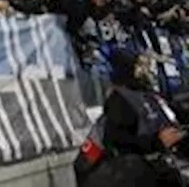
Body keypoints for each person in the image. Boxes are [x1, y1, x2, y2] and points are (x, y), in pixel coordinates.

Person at [75, 51, 186, 186]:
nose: (147, 71)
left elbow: (177, 114)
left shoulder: (149, 95)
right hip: (112, 172)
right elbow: (118, 142)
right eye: (140, 66)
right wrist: (156, 142)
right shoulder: (120, 100)